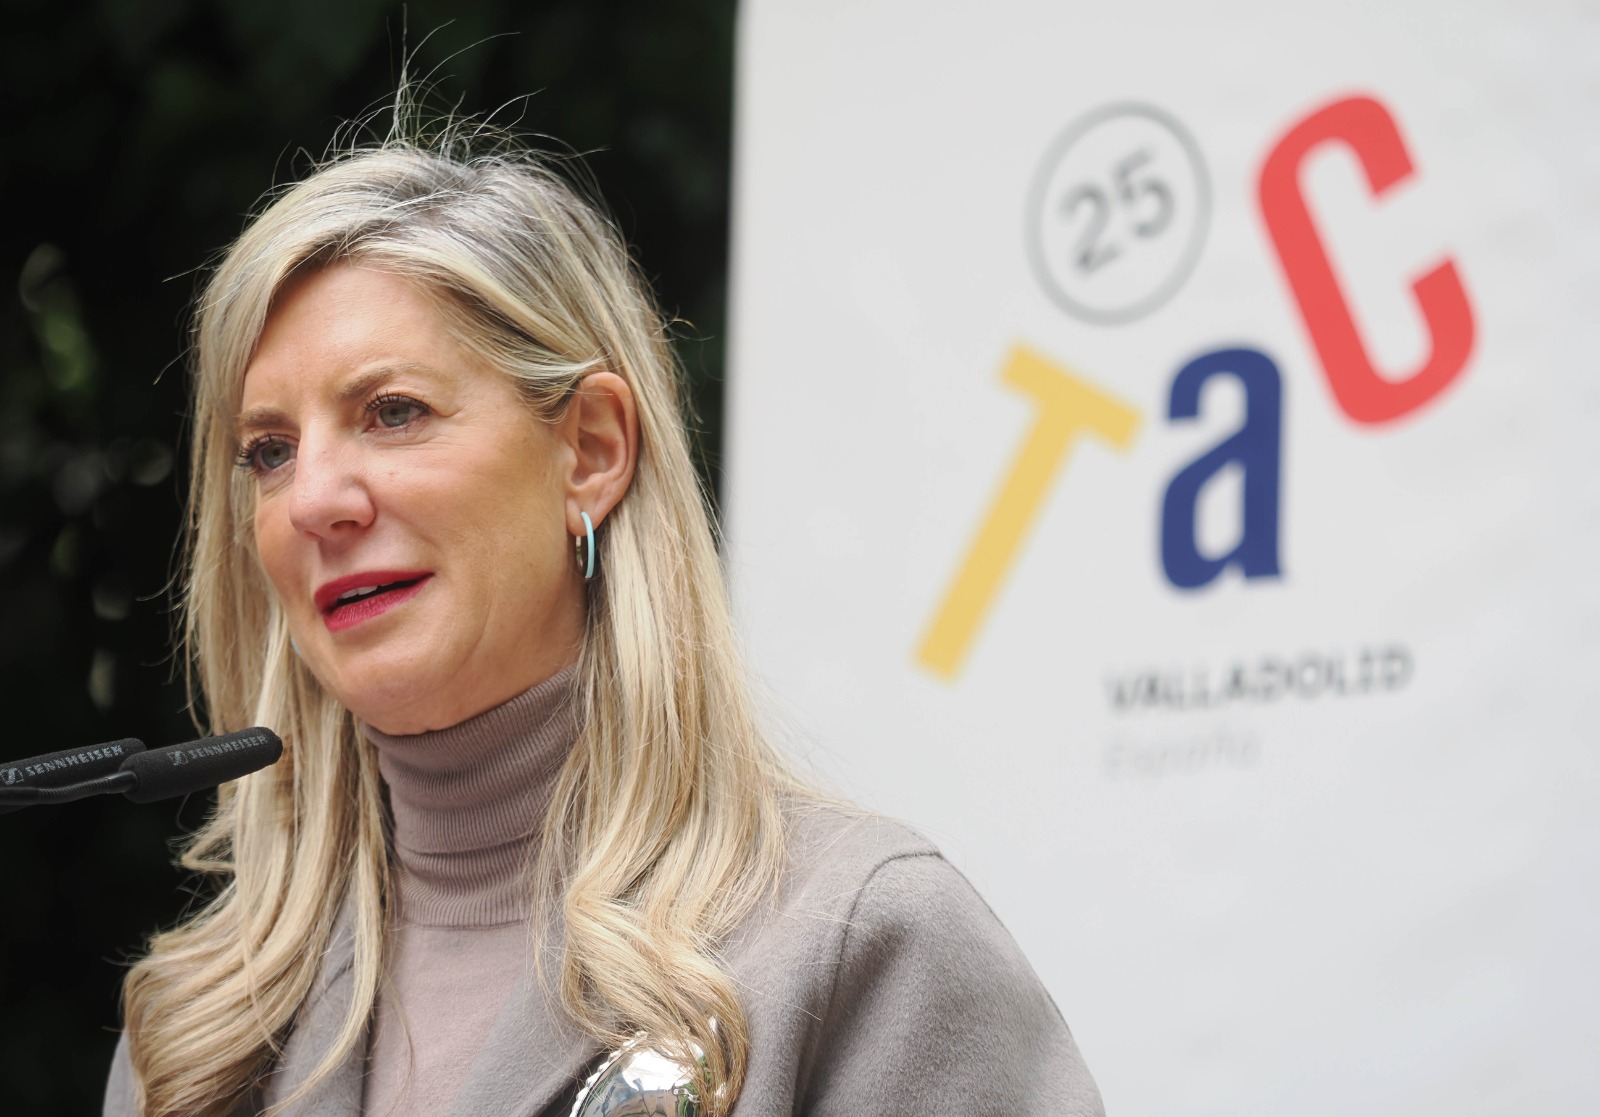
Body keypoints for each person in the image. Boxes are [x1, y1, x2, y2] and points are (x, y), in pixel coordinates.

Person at [101, 125, 1104, 1117]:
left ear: (589, 451)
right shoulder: (196, 1035)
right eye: (270, 451)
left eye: (393, 411)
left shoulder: (860, 939)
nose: (314, 499)